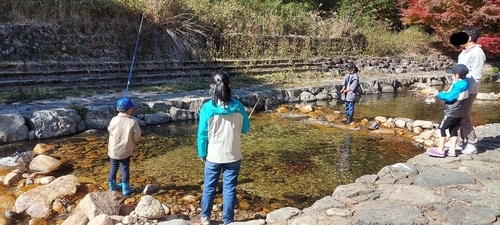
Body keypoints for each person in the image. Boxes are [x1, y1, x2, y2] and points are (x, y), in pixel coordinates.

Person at [197, 71, 250, 225]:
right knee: (229, 189)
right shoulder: (239, 106)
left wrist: (202, 153)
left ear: (211, 88)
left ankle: (205, 217)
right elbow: (245, 129)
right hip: (233, 156)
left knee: (209, 187)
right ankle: (228, 221)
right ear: (229, 86)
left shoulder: (207, 108)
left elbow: (202, 135)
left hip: (213, 156)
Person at [446, 26, 486, 154]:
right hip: (459, 88)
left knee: (463, 117)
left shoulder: (477, 53)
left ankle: (472, 144)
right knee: (456, 115)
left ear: (469, 37)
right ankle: (458, 142)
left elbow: (476, 75)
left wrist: (463, 89)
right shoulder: (464, 52)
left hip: (468, 90)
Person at [427, 64, 469, 158]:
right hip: (459, 113)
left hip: (451, 112)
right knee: (453, 130)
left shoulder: (458, 86)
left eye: (453, 74)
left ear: (457, 75)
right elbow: (455, 94)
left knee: (441, 128)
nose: (452, 75)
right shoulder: (465, 83)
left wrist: (438, 94)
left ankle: (441, 150)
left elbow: (449, 98)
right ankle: (452, 151)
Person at [107, 97, 141, 196]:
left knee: (113, 166)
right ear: (130, 110)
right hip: (125, 150)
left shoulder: (113, 119)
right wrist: (132, 139)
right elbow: (137, 135)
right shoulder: (132, 122)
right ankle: (126, 189)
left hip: (113, 150)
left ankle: (112, 186)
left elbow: (109, 130)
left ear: (117, 109)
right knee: (124, 168)